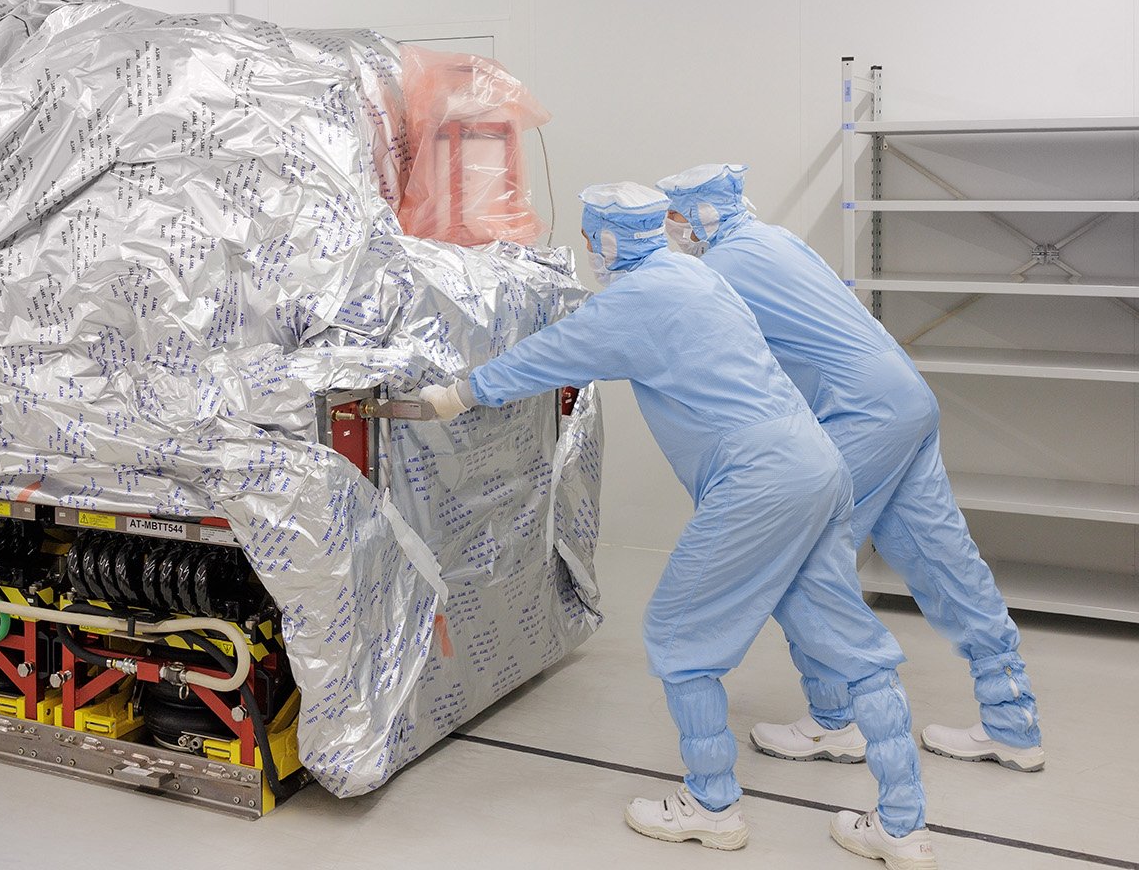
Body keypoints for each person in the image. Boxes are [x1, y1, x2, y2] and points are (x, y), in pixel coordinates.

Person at [417, 183, 936, 868]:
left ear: (607, 240)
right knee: (850, 639)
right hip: (814, 461)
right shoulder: (694, 275)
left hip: (756, 482)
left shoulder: (634, 301)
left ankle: (711, 806)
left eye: (589, 236)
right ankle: (902, 826)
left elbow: (547, 355)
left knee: (679, 635)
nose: (587, 247)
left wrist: (456, 395)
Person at [656, 163, 1042, 773]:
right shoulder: (777, 239)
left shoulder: (720, 268)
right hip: (905, 397)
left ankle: (834, 720)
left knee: (803, 560)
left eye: (673, 216)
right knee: (944, 556)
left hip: (858, 413)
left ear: (697, 215)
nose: (670, 229)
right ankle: (1012, 721)